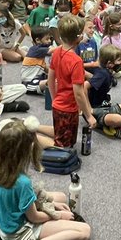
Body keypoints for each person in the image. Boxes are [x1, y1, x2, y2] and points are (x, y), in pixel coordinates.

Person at [0, 120, 90, 240]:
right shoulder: (22, 183)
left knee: (61, 197)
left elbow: (32, 199)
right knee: (84, 231)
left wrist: (52, 204)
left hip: (6, 222)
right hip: (18, 231)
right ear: (27, 150)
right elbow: (34, 218)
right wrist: (57, 214)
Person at [49, 13, 94, 149]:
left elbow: (50, 79)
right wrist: (88, 115)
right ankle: (34, 140)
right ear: (79, 37)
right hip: (68, 108)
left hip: (58, 105)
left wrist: (54, 99)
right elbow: (79, 92)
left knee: (63, 136)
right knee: (64, 147)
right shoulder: (76, 61)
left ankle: (35, 128)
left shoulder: (56, 51)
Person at [21, 25, 52, 93]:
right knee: (49, 82)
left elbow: (45, 67)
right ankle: (48, 84)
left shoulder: (39, 51)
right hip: (29, 82)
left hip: (39, 77)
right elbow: (53, 50)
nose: (49, 41)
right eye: (47, 39)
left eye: (50, 38)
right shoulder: (37, 49)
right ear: (37, 40)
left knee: (55, 77)